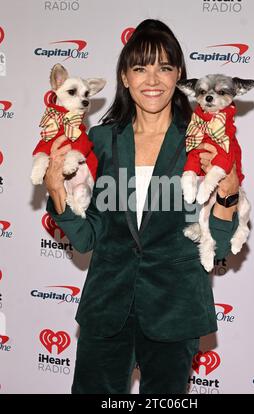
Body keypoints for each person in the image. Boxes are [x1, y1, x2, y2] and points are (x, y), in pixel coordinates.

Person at [44, 19, 240, 394]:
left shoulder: (202, 141)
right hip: (106, 307)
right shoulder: (99, 140)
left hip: (175, 308)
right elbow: (86, 240)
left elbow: (219, 239)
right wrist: (57, 193)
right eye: (140, 67)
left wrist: (228, 192)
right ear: (124, 76)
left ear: (179, 75)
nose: (153, 79)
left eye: (164, 67)